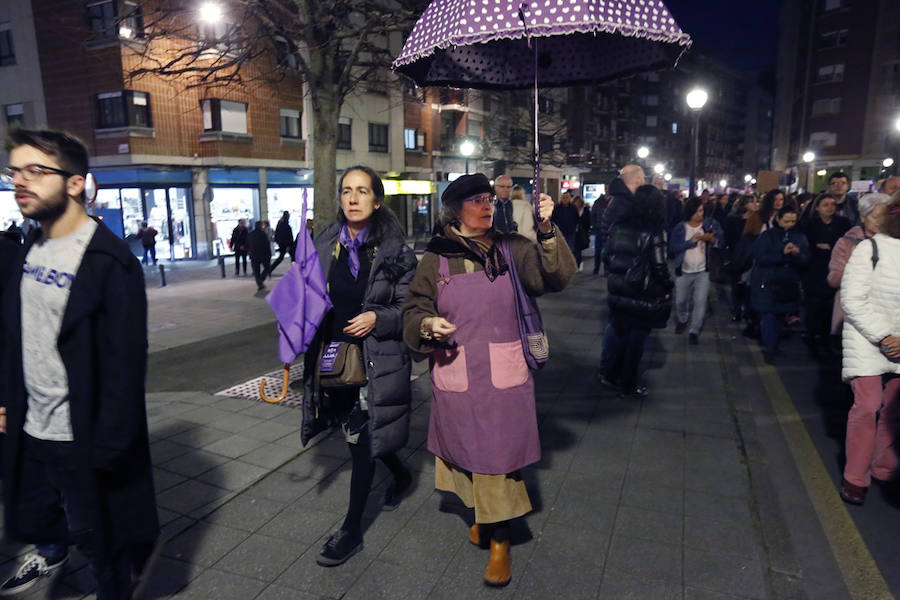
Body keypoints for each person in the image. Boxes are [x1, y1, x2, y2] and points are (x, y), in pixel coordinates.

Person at [0, 129, 158, 598]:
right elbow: (18, 335)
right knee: (36, 515)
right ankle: (52, 554)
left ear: (74, 184)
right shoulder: (30, 248)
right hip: (32, 426)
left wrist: (108, 450)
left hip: (80, 437)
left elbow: (124, 369)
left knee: (101, 542)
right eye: (15, 171)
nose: (20, 181)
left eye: (36, 171)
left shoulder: (109, 261)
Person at [402, 173, 575, 587]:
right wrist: (427, 325)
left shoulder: (512, 247)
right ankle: (482, 516)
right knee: (464, 454)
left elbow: (553, 277)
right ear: (455, 210)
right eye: (476, 200)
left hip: (503, 378)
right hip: (457, 372)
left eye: (488, 198)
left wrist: (548, 229)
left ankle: (501, 541)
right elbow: (414, 309)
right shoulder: (435, 257)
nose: (486, 205)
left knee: (498, 459)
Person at [301, 166, 418, 567]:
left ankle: (351, 532)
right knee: (358, 435)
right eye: (347, 191)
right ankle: (400, 474)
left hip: (373, 361)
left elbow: (409, 309)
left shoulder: (395, 251)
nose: (352, 199)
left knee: (360, 444)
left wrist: (377, 319)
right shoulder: (324, 243)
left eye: (362, 191)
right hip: (333, 362)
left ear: (377, 200)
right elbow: (306, 294)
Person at [837, 195, 900, 505]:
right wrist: (885, 336)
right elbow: (852, 299)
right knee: (868, 405)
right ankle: (855, 477)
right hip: (866, 340)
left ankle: (883, 465)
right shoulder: (869, 248)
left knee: (893, 409)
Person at [598, 184, 673, 396]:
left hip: (618, 287)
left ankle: (609, 374)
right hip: (641, 290)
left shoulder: (619, 224)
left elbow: (606, 254)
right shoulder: (656, 229)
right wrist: (668, 286)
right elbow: (659, 265)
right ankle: (627, 384)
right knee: (636, 339)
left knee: (618, 332)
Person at [749, 206, 810, 363]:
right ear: (778, 219)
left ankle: (773, 344)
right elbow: (760, 257)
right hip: (767, 281)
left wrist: (797, 253)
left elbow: (806, 259)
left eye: (793, 221)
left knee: (780, 316)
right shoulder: (767, 236)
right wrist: (782, 254)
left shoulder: (799, 236)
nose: (789, 224)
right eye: (786, 221)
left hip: (787, 282)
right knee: (768, 315)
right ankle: (769, 348)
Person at [828, 194, 890, 337]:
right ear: (863, 217)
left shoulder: (893, 243)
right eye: (875, 217)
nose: (879, 222)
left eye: (884, 217)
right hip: (853, 312)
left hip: (885, 311)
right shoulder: (846, 243)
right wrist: (859, 269)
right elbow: (833, 279)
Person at [799, 193, 852, 355]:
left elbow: (843, 246)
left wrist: (829, 248)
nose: (830, 208)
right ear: (817, 208)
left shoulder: (843, 224)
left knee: (830, 307)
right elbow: (807, 247)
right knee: (813, 305)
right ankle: (812, 337)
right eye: (825, 204)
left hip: (834, 270)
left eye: (832, 204)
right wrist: (818, 249)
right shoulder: (808, 225)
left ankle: (827, 337)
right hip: (814, 271)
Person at [669, 197, 723, 345]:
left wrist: (712, 240)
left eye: (701, 211)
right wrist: (690, 242)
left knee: (700, 301)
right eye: (697, 211)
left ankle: (694, 330)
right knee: (681, 300)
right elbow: (673, 248)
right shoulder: (681, 227)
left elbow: (720, 241)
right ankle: (683, 318)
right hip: (684, 270)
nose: (700, 214)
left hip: (703, 271)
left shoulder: (709, 224)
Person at [599, 164, 645, 245]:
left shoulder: (618, 199)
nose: (644, 182)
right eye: (643, 178)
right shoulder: (626, 204)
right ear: (638, 180)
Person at [248, 220, 272, 291]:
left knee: (256, 271)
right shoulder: (263, 234)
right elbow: (266, 246)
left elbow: (247, 243)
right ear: (261, 226)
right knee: (267, 267)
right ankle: (261, 280)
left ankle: (259, 283)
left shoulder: (250, 234)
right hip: (263, 255)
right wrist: (269, 255)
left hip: (253, 255)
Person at [269, 210, 294, 275]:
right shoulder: (285, 225)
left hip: (282, 243)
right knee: (292, 256)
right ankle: (295, 269)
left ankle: (270, 269)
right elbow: (288, 236)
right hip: (286, 244)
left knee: (281, 258)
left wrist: (278, 242)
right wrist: (288, 245)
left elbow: (278, 234)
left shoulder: (280, 223)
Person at [572, 195, 592, 271]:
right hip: (574, 231)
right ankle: (575, 263)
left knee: (578, 248)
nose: (578, 203)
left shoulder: (586, 210)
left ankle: (578, 262)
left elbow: (588, 221)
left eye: (579, 202)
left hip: (582, 232)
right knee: (574, 248)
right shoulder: (572, 210)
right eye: (576, 202)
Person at [590, 194, 606, 274]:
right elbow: (593, 215)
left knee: (605, 250)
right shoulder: (598, 202)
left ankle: (605, 269)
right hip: (600, 228)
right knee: (599, 250)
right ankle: (597, 268)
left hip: (606, 229)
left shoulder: (612, 201)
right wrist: (594, 225)